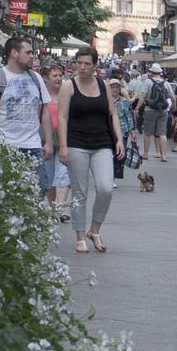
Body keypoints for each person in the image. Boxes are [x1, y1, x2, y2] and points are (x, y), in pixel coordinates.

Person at [58, 47, 124, 254]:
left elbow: (112, 114)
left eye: (87, 63)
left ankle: (94, 230)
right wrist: (63, 145)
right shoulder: (68, 86)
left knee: (105, 189)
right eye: (79, 62)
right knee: (80, 192)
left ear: (95, 66)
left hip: (102, 143)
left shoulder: (104, 85)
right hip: (76, 143)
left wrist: (120, 139)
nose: (82, 67)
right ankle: (79, 236)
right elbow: (62, 117)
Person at [0, 36, 54, 190]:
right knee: (6, 192)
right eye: (28, 52)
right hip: (5, 145)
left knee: (39, 189)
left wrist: (48, 142)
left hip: (32, 144)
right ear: (14, 53)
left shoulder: (36, 78)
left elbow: (45, 111)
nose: (32, 56)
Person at [41, 63, 71, 216]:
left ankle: (61, 208)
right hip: (46, 140)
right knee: (48, 175)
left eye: (60, 75)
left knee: (64, 174)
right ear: (46, 78)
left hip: (65, 139)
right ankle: (53, 207)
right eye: (55, 76)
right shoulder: (42, 95)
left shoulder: (67, 93)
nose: (59, 78)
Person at [134, 63, 174, 162]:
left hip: (150, 109)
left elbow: (143, 96)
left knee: (147, 133)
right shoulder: (166, 83)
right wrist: (174, 106)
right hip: (163, 110)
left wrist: (137, 108)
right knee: (162, 133)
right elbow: (172, 97)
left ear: (151, 72)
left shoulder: (148, 82)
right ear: (160, 72)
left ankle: (146, 153)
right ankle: (163, 155)